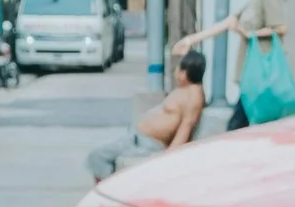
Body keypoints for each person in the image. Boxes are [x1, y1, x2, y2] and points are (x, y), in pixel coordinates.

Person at [172, 0, 285, 130]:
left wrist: (248, 34)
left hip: (262, 70)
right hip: (252, 72)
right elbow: (226, 24)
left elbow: (281, 28)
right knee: (248, 123)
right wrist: (191, 40)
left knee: (237, 125)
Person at [86, 51, 207, 180]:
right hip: (138, 139)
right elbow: (179, 48)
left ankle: (111, 194)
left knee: (98, 156)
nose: (175, 72)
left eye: (179, 69)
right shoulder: (187, 90)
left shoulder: (194, 97)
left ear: (185, 72)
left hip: (147, 144)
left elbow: (185, 129)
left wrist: (168, 159)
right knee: (98, 157)